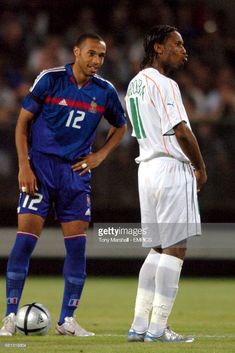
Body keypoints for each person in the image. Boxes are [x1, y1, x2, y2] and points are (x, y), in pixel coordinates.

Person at [0, 32, 127, 336]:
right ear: (76, 52)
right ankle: (9, 316)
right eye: (91, 54)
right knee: (25, 242)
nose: (96, 61)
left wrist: (100, 156)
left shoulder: (104, 91)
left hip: (76, 174)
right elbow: (21, 125)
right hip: (41, 168)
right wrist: (24, 166)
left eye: (101, 56)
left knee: (77, 249)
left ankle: (66, 320)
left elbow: (121, 126)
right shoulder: (51, 79)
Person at [125, 25, 207, 343]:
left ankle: (138, 325)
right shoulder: (165, 83)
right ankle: (157, 329)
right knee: (175, 249)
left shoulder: (134, 84)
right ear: (158, 48)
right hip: (171, 168)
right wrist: (200, 167)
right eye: (177, 44)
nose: (183, 49)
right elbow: (182, 131)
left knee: (158, 249)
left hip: (145, 168)